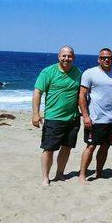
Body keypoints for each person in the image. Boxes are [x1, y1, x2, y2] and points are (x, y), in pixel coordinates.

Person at [32, 45, 81, 186]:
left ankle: (60, 174)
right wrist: (36, 114)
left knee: (67, 148)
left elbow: (84, 93)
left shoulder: (77, 72)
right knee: (49, 149)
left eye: (69, 56)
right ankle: (45, 177)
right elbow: (37, 92)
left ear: (73, 58)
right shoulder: (48, 72)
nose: (66, 58)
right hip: (53, 118)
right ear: (59, 57)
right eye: (64, 56)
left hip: (73, 118)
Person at [78, 48, 112, 184]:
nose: (106, 60)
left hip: (111, 119)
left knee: (105, 147)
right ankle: (82, 175)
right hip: (95, 119)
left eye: (109, 57)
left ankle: (99, 172)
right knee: (91, 146)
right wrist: (85, 116)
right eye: (103, 57)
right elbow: (81, 95)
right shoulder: (90, 73)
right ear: (99, 59)